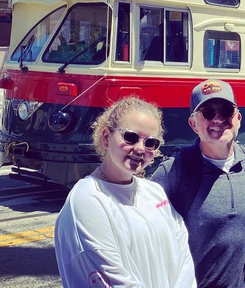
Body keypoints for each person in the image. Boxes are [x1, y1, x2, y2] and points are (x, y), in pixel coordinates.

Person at [55, 96, 196, 288]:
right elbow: (112, 280)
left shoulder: (154, 192)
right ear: (106, 137)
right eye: (130, 137)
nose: (140, 148)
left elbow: (183, 261)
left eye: (150, 143)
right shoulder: (87, 200)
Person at [151, 79, 245, 288]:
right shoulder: (175, 170)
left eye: (226, 111)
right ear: (193, 124)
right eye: (208, 112)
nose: (218, 119)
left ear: (238, 119)